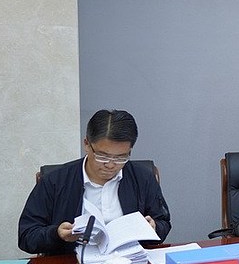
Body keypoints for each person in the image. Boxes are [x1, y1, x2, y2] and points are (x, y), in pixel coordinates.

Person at [18, 109, 171, 255]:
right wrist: (56, 234)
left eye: (120, 157)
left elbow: (163, 222)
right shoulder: (55, 181)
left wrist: (154, 227)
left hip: (129, 263)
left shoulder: (143, 177)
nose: (110, 165)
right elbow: (27, 236)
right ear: (87, 144)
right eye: (102, 156)